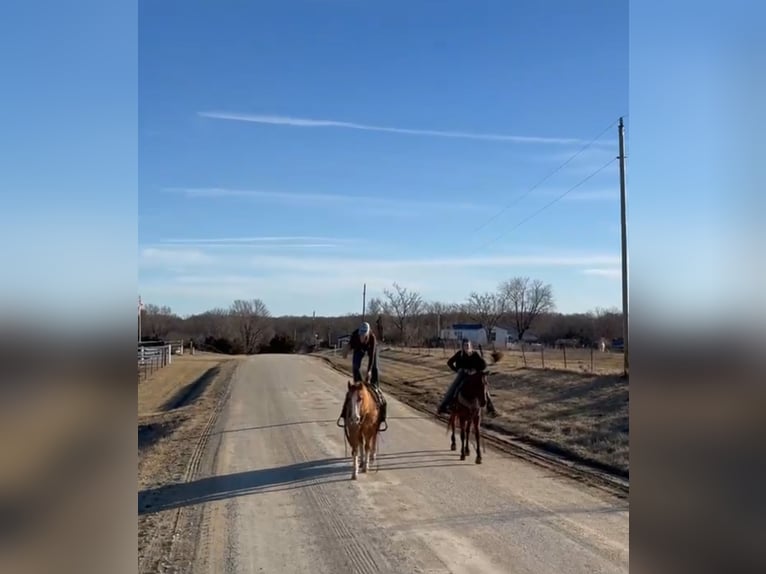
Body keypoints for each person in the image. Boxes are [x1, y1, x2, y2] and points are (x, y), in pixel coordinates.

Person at [339, 322, 387, 429]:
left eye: (363, 336)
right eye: (360, 335)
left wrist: (369, 371)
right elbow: (349, 346)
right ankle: (359, 385)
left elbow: (371, 359)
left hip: (370, 349)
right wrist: (346, 351)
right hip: (359, 349)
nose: (361, 337)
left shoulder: (372, 339)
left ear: (367, 334)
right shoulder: (355, 336)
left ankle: (375, 387)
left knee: (375, 368)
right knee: (356, 366)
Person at [437, 339, 497, 416]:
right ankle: (445, 406)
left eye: (468, 345)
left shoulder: (475, 354)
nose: (467, 347)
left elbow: (483, 365)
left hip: (473, 375)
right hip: (463, 374)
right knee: (455, 387)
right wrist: (457, 370)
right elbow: (449, 362)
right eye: (465, 345)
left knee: (483, 387)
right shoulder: (460, 354)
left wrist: (475, 370)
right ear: (463, 347)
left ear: (471, 346)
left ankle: (491, 409)